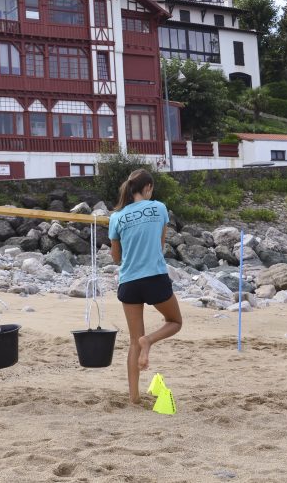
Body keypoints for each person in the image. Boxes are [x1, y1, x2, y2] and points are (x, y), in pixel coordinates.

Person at [109, 169, 183, 404]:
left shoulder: (116, 217)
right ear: (148, 187)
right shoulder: (159, 208)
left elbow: (116, 258)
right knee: (175, 322)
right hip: (154, 277)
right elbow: (161, 246)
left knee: (133, 340)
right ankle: (149, 340)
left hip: (129, 282)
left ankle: (134, 397)